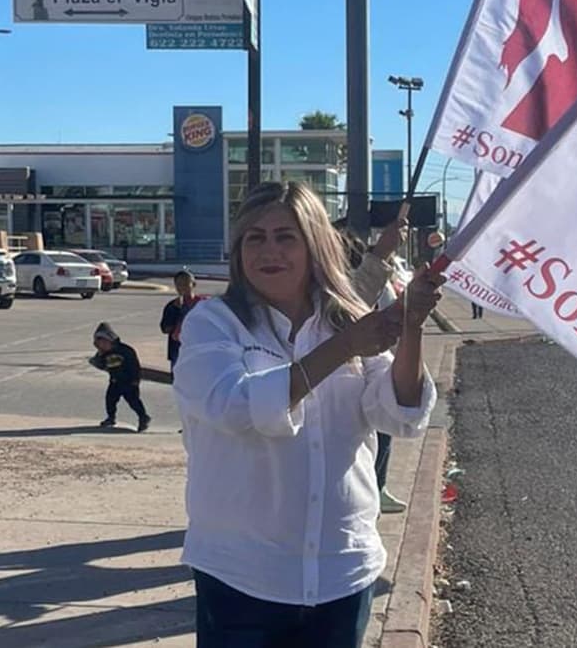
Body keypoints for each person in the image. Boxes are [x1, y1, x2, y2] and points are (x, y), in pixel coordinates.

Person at [173, 181, 444, 647]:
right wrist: (345, 347)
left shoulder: (346, 316)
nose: (269, 251)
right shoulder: (213, 323)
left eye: (286, 237)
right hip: (242, 578)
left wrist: (411, 327)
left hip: (343, 571)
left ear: (315, 244)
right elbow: (233, 405)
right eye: (255, 237)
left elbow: (398, 413)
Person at [342, 214, 412, 516]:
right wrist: (382, 253)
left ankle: (376, 488)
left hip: (376, 368)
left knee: (379, 436)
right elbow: (342, 316)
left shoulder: (373, 283)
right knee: (372, 438)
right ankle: (374, 488)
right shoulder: (329, 293)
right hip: (356, 374)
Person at [89, 322, 151, 432]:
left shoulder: (125, 350)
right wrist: (99, 357)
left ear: (110, 340)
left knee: (133, 401)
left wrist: (135, 380)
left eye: (104, 343)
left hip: (129, 381)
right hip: (115, 381)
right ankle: (111, 417)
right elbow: (101, 365)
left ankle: (143, 417)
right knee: (110, 400)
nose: (102, 346)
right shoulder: (104, 353)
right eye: (99, 344)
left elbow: (134, 366)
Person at [160, 270, 205, 371]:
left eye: (185, 284)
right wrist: (176, 310)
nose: (182, 288)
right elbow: (165, 329)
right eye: (179, 285)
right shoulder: (172, 306)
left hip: (198, 349)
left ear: (193, 284)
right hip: (178, 350)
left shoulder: (203, 304)